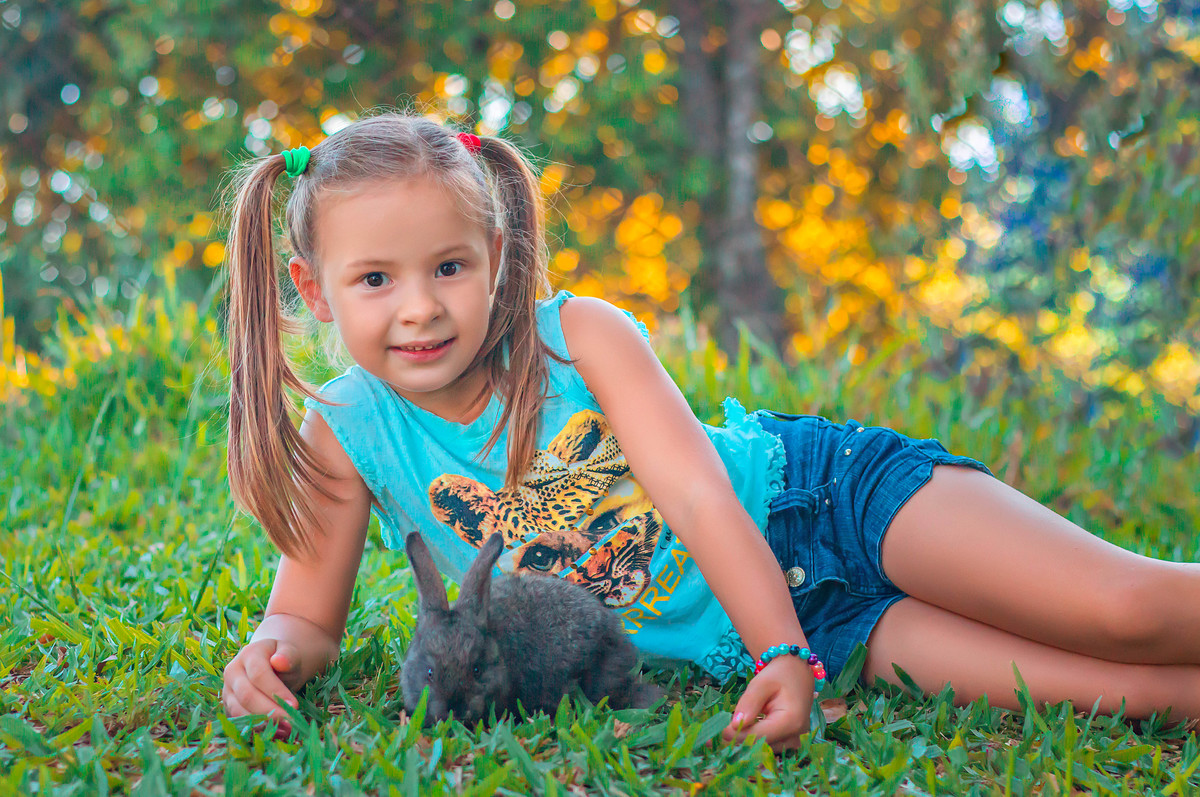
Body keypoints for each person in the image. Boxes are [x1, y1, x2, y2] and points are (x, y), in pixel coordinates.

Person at [220, 111, 1199, 752]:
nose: (420, 309)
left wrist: (785, 654)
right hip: (819, 628)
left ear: (497, 256)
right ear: (312, 290)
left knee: (1127, 608)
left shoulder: (581, 337)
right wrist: (271, 656)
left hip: (825, 505)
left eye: (448, 267)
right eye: (375, 279)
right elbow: (306, 615)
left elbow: (696, 494)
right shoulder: (346, 429)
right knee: (1131, 693)